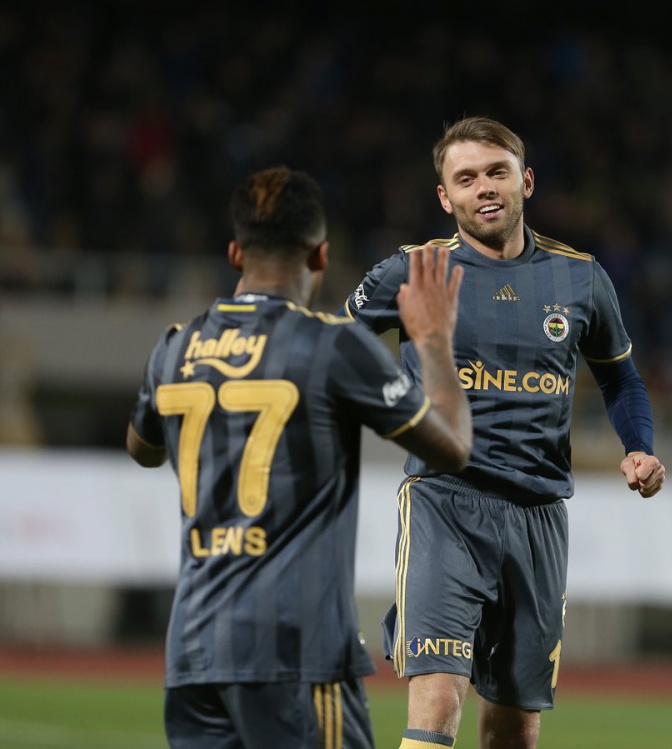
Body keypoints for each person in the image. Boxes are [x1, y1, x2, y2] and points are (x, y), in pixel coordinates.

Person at [339, 116, 666, 749]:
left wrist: (639, 448)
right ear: (445, 198)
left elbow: (621, 380)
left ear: (526, 181)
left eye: (497, 172)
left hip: (539, 515)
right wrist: (388, 406)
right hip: (443, 502)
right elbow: (332, 349)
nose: (484, 187)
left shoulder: (580, 278)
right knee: (437, 699)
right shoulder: (413, 270)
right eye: (466, 178)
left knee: (514, 728)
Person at [126, 166, 472, 749]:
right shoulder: (332, 345)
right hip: (296, 650)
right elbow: (453, 447)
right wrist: (434, 340)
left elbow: (142, 449)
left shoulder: (175, 345)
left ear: (235, 253)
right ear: (320, 256)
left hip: (194, 650)